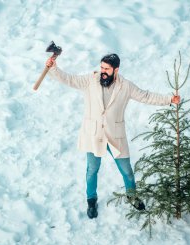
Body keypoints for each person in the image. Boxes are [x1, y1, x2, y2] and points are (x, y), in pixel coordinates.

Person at [45, 54, 180, 219]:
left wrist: (169, 99)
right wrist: (53, 68)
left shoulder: (126, 86)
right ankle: (91, 200)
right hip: (94, 134)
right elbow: (69, 79)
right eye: (102, 67)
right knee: (91, 170)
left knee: (127, 171)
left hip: (115, 135)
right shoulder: (90, 80)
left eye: (106, 69)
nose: (103, 71)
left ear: (116, 69)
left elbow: (145, 96)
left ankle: (132, 196)